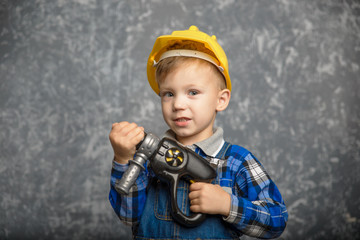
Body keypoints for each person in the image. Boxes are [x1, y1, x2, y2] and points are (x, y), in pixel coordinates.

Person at [108, 25, 288, 239]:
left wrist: (227, 204)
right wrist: (122, 158)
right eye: (168, 94)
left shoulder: (236, 161)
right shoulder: (147, 159)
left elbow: (276, 221)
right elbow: (128, 216)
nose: (178, 104)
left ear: (220, 100)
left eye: (192, 92)